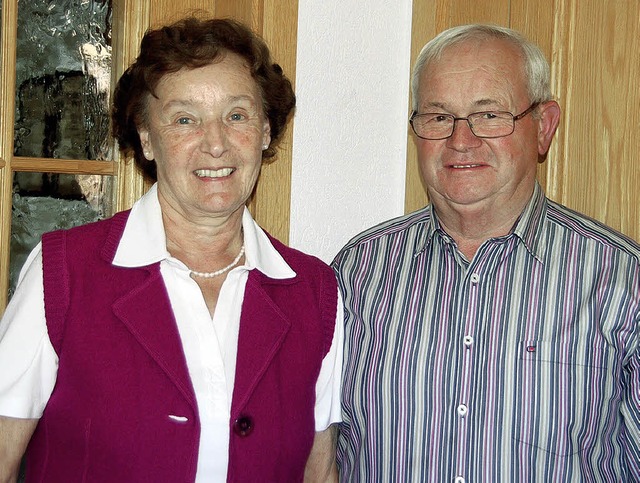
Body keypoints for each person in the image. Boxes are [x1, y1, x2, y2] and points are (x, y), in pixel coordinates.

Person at [0, 17, 343, 482]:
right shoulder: (63, 274)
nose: (216, 143)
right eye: (185, 120)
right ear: (146, 138)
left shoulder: (313, 291)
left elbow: (318, 471)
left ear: (265, 131)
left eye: (237, 115)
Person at [332, 23, 640, 482]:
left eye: (490, 114)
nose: (461, 140)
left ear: (544, 127)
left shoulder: (622, 279)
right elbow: (315, 453)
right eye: (438, 117)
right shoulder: (356, 274)